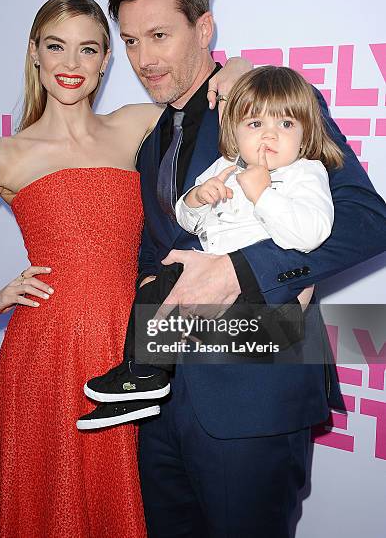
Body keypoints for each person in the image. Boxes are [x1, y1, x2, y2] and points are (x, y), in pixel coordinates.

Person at [0, 0, 239, 537]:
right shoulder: (4, 155)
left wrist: (241, 67)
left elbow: (210, 85)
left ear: (106, 60)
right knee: (50, 501)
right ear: (35, 54)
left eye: (89, 50)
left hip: (130, 338)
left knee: (139, 496)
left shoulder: (136, 123)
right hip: (49, 349)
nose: (72, 65)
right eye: (57, 47)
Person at [89, 0, 386, 537]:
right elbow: (166, 248)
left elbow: (365, 217)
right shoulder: (152, 142)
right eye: (129, 41)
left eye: (159, 35)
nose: (143, 58)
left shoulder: (265, 106)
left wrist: (244, 271)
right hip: (161, 406)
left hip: (252, 392)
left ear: (204, 28)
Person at [77, 65, 345, 429]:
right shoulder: (226, 166)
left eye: (285, 125)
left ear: (305, 131)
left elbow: (311, 234)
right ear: (234, 130)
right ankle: (142, 376)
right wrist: (198, 199)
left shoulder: (305, 172)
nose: (270, 136)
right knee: (158, 286)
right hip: (204, 289)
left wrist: (262, 194)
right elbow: (187, 220)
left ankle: (149, 374)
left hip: (262, 299)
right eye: (255, 125)